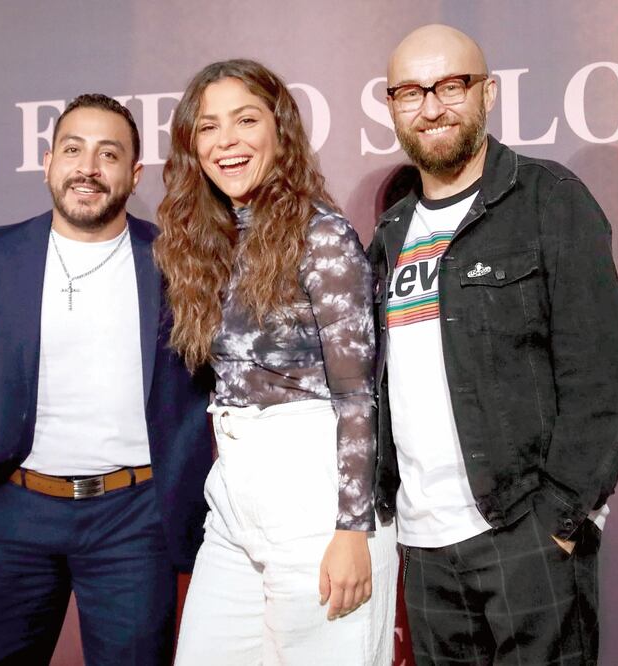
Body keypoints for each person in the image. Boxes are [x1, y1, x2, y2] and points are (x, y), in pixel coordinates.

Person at [369, 24, 618, 666]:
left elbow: (600, 377)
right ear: (392, 107)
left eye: (450, 85)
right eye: (411, 92)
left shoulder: (550, 200)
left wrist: (558, 522)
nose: (430, 107)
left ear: (487, 93)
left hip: (524, 532)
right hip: (424, 544)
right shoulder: (390, 231)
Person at [0, 93, 212, 665]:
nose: (88, 167)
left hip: (133, 520)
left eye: (108, 154)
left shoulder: (174, 261)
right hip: (14, 510)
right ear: (48, 161)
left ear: (133, 175)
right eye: (73, 149)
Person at [154, 59, 398, 665]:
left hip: (317, 496)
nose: (226, 141)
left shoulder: (322, 236)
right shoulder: (208, 243)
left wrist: (352, 529)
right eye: (208, 127)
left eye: (245, 120)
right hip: (235, 495)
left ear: (280, 130)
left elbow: (358, 393)